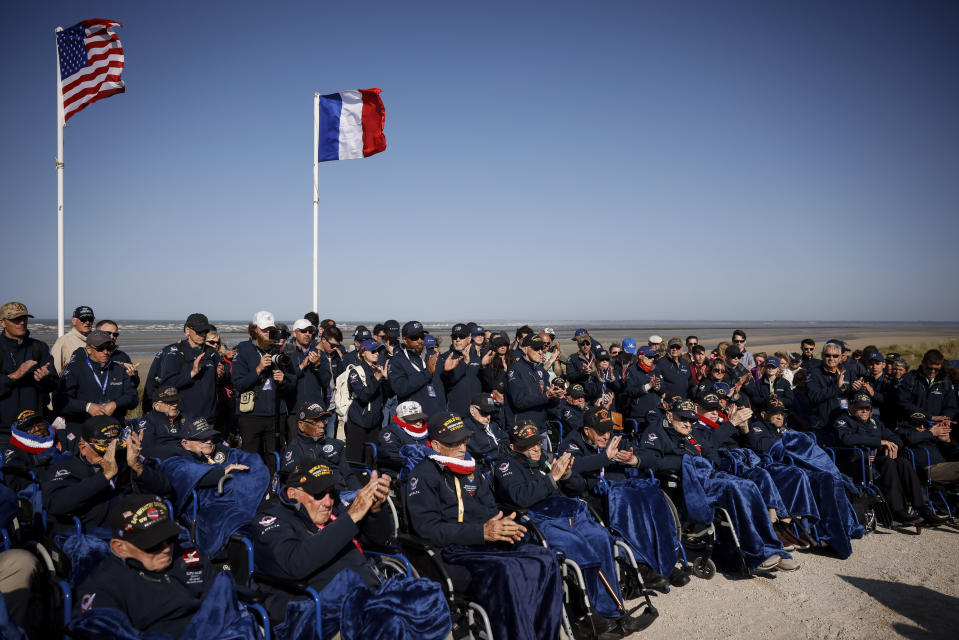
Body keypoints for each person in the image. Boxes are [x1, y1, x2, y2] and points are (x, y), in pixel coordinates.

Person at [404, 412, 564, 640]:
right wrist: (481, 532)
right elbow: (427, 528)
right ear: (437, 445)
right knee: (507, 571)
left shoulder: (470, 469)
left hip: (485, 540)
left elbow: (489, 508)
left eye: (464, 440)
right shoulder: (423, 475)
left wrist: (501, 523)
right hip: (453, 548)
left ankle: (544, 633)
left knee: (545, 558)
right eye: (454, 442)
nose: (462, 446)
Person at [492, 421, 652, 636]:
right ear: (513, 447)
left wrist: (566, 475)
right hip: (537, 520)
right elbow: (521, 497)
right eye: (528, 445)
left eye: (537, 443)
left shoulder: (545, 460)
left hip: (564, 513)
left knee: (601, 538)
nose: (536, 448)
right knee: (578, 547)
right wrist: (552, 478)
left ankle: (614, 609)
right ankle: (588, 614)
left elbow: (577, 486)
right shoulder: (507, 466)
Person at [638, 398, 799, 571]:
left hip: (709, 476)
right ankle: (756, 552)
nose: (687, 423)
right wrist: (685, 462)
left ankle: (771, 547)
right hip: (688, 484)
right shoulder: (656, 431)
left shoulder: (691, 434)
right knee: (736, 488)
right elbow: (651, 460)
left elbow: (709, 451)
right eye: (682, 418)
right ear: (670, 415)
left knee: (750, 484)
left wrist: (710, 464)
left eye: (691, 419)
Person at [71, 495, 236, 637]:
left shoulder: (188, 555)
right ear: (120, 547)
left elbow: (218, 604)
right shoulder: (104, 583)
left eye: (169, 538)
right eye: (152, 544)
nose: (166, 549)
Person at [43, 416, 171, 535]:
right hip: (95, 533)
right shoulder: (65, 468)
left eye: (115, 450)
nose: (110, 456)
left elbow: (165, 488)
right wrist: (104, 476)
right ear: (83, 448)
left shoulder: (126, 458)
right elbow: (55, 505)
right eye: (102, 452)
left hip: (138, 525)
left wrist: (137, 466)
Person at [831, 394, 945, 526]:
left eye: (867, 408)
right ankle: (897, 510)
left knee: (903, 462)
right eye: (860, 407)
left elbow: (895, 438)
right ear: (851, 407)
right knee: (888, 462)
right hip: (856, 462)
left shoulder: (875, 422)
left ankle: (923, 509)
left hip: (874, 462)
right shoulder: (843, 420)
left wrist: (894, 446)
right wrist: (879, 442)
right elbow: (846, 439)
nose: (864, 411)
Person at [55, 330, 139, 450]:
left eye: (109, 348)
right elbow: (60, 401)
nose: (106, 352)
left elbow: (133, 397)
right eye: (100, 348)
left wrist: (116, 404)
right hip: (82, 431)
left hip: (112, 432)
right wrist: (87, 407)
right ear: (88, 349)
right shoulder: (75, 369)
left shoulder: (119, 369)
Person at [231, 311, 297, 464]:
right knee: (251, 458)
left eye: (271, 330)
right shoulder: (243, 350)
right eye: (264, 330)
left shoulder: (279, 351)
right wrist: (258, 369)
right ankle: (253, 487)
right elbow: (238, 384)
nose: (268, 333)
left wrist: (284, 380)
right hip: (251, 415)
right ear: (254, 329)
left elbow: (293, 382)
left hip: (276, 414)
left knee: (274, 457)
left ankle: (273, 487)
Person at [0, 302, 57, 435]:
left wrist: (45, 379)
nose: (21, 322)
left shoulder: (39, 348)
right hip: (3, 431)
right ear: (2, 322)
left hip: (35, 428)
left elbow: (55, 384)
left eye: (24, 318)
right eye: (16, 319)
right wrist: (13, 376)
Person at [156, 313, 222, 424]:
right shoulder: (174, 352)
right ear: (187, 331)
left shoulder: (212, 352)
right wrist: (192, 372)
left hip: (209, 418)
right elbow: (167, 383)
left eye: (205, 331)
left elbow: (218, 383)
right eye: (198, 331)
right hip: (184, 418)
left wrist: (221, 375)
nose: (202, 335)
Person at [281, 401, 361, 491]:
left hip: (343, 494)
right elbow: (295, 487)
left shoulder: (336, 445)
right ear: (301, 426)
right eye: (315, 421)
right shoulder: (294, 451)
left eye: (323, 420)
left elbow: (349, 476)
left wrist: (359, 493)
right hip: (317, 498)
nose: (322, 425)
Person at [505, 333, 564, 431]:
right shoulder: (514, 370)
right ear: (525, 349)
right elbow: (519, 402)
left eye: (542, 348)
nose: (540, 352)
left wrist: (555, 398)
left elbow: (548, 405)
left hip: (541, 428)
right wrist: (546, 396)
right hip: (522, 429)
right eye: (536, 349)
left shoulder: (541, 370)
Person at [343, 339, 389, 464]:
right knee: (355, 459)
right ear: (363, 353)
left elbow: (388, 394)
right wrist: (377, 379)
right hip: (358, 421)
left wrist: (386, 379)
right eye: (373, 351)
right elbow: (363, 395)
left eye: (378, 351)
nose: (377, 353)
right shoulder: (356, 372)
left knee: (373, 460)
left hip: (375, 422)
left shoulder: (378, 370)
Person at [389, 321, 448, 418]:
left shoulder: (432, 355)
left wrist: (448, 371)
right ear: (404, 340)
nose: (420, 340)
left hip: (439, 416)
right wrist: (426, 373)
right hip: (414, 418)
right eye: (414, 338)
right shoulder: (397, 361)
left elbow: (446, 384)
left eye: (422, 336)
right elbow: (400, 389)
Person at [1, 409, 60, 492]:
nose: (37, 429)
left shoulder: (61, 436)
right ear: (21, 431)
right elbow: (13, 481)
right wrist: (35, 462)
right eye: (29, 427)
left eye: (39, 423)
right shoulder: (14, 448)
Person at [286, 318, 325, 441]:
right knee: (296, 447)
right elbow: (285, 380)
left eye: (310, 331)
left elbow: (326, 381)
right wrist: (301, 366)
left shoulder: (319, 353)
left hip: (315, 410)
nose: (308, 334)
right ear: (295, 333)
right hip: (294, 410)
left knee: (317, 446)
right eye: (303, 331)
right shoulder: (288, 354)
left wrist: (317, 366)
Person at [896, 411, 959, 487]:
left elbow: (954, 455)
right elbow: (910, 439)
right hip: (925, 471)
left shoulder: (930, 434)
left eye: (924, 424)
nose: (922, 427)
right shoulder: (903, 432)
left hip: (944, 468)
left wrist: (948, 441)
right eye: (917, 424)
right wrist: (931, 433)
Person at [897, 349, 957, 424]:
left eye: (936, 369)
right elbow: (903, 403)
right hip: (913, 426)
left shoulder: (945, 382)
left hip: (937, 426)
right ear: (923, 363)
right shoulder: (910, 378)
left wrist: (945, 418)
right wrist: (929, 416)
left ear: (941, 366)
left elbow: (950, 406)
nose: (932, 371)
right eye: (929, 368)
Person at [137, 386, 196, 460]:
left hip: (192, 455)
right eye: (170, 402)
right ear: (156, 405)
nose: (175, 405)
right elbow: (148, 449)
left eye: (176, 400)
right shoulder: (149, 420)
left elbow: (202, 433)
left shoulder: (186, 416)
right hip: (170, 461)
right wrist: (180, 451)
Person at [439, 324, 484, 415]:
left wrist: (485, 367)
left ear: (469, 338)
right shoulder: (445, 358)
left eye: (461, 336)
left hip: (477, 413)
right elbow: (446, 383)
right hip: (456, 413)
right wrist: (464, 364)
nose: (457, 339)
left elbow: (488, 385)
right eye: (455, 337)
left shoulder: (477, 357)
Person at [805, 342, 851, 431]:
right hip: (822, 424)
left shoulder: (847, 371)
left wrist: (856, 389)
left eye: (835, 356)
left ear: (841, 357)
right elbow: (814, 397)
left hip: (844, 421)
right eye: (827, 355)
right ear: (822, 356)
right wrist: (836, 387)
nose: (831, 358)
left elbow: (852, 395)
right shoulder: (813, 373)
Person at [377, 400, 429, 475]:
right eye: (413, 419)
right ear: (401, 419)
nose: (418, 423)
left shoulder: (429, 431)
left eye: (419, 418)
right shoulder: (391, 432)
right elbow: (390, 457)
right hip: (400, 473)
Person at [464, 392, 508, 469]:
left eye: (491, 413)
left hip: (502, 464)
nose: (488, 417)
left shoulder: (493, 425)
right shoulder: (466, 428)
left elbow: (506, 439)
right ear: (472, 411)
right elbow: (478, 452)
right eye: (484, 412)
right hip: (484, 469)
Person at [622, 345, 662, 427]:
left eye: (653, 357)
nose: (652, 359)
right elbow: (629, 391)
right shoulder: (632, 370)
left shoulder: (656, 369)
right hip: (640, 414)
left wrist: (657, 386)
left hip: (656, 411)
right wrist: (648, 386)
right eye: (649, 357)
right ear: (640, 357)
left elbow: (664, 388)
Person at [50, 305, 95, 374]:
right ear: (74, 321)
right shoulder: (63, 342)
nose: (87, 322)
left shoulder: (97, 339)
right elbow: (55, 371)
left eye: (90, 319)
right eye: (83, 319)